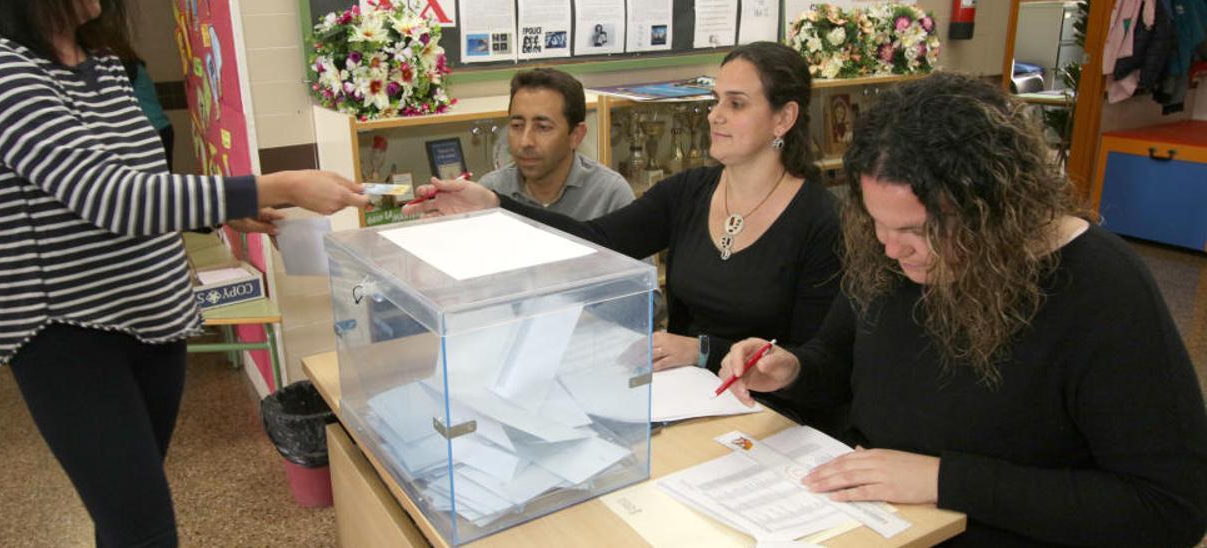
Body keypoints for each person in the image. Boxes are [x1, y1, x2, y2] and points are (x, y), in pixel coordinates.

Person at [0, 1, 369, 545]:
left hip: (153, 314)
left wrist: (218, 209)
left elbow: (139, 181)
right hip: (69, 331)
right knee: (142, 526)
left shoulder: (100, 60)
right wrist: (276, 184)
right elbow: (107, 195)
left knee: (130, 509)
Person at [719, 72, 1207, 545]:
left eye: (917, 231)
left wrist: (944, 480)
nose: (891, 249)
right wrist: (791, 369)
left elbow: (1170, 509)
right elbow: (840, 362)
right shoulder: (890, 254)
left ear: (998, 210)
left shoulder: (1102, 289)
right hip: (874, 522)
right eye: (876, 222)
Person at [407, 42, 844, 430]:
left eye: (736, 103)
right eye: (715, 100)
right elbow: (593, 241)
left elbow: (815, 364)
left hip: (773, 422)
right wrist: (494, 206)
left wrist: (704, 350)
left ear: (784, 118)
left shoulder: (821, 221)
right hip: (690, 404)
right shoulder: (689, 192)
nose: (715, 115)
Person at [480, 68, 633, 221]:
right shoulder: (490, 192)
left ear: (576, 135)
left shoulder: (611, 197)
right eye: (517, 125)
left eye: (543, 127)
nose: (525, 142)